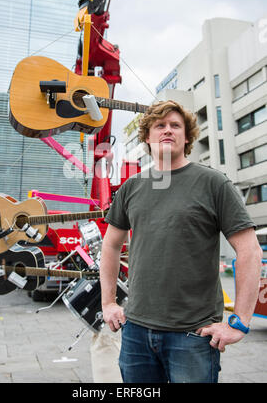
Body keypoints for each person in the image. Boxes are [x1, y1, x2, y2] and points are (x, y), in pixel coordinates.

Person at [100, 99, 262, 383]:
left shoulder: (214, 184)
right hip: (135, 331)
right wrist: (108, 303)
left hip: (193, 335)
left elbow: (249, 249)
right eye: (159, 125)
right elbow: (111, 245)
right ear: (147, 137)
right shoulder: (131, 188)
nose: (167, 130)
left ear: (186, 137)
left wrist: (240, 322)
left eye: (175, 125)